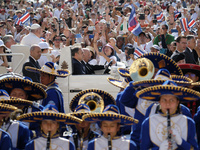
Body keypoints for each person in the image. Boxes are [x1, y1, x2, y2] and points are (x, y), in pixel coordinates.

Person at [139, 80, 199, 149]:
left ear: (177, 102)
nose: (168, 104)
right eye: (164, 100)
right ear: (159, 102)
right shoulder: (148, 122)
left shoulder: (188, 122)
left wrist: (181, 142)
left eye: (172, 100)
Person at [17, 104, 82, 150]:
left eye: (53, 122)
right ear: (41, 126)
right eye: (45, 123)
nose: (49, 126)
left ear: (57, 125)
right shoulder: (32, 145)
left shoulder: (68, 144)